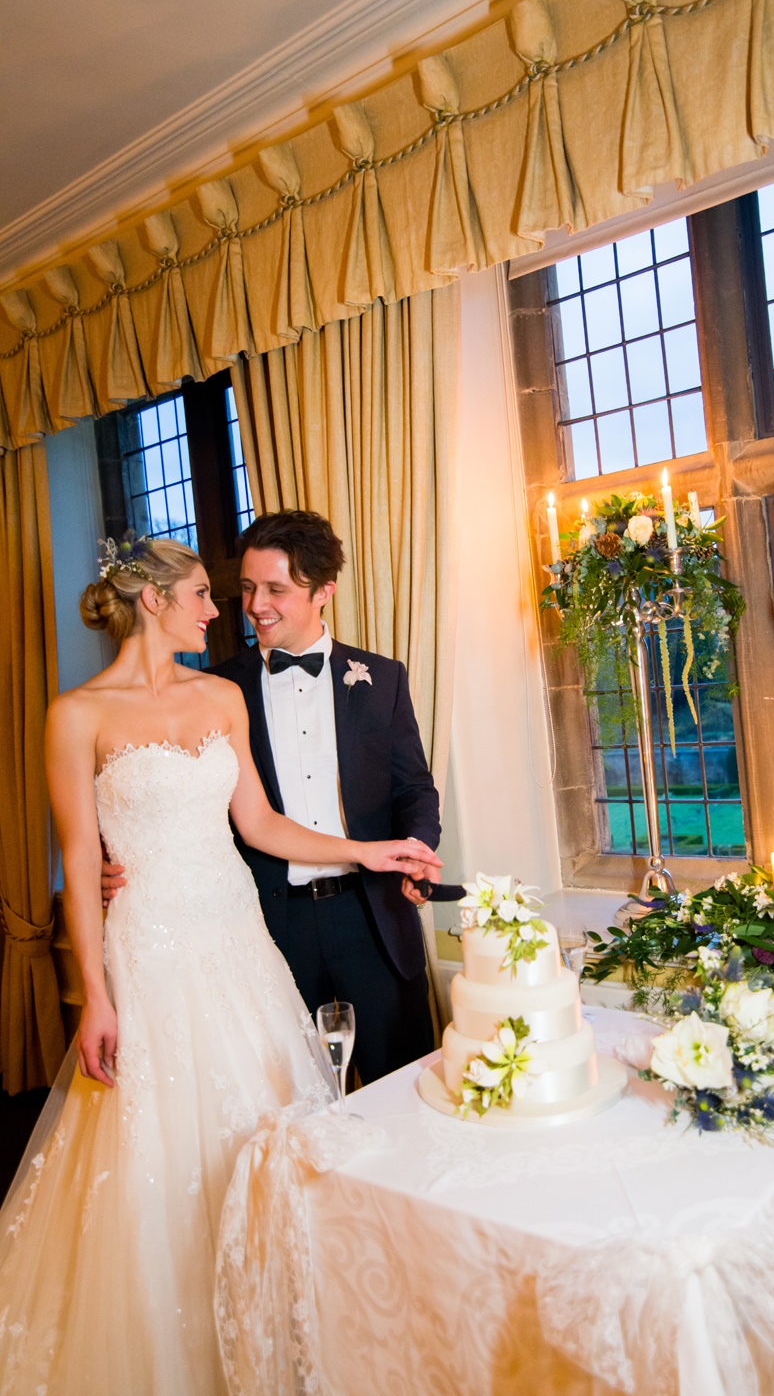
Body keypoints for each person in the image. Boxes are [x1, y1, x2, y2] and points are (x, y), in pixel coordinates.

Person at [0, 535, 441, 1396]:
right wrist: (95, 996)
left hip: (239, 941)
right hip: (150, 949)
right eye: (205, 594)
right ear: (153, 600)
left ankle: (287, 1319)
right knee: (163, 1149)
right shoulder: (76, 715)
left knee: (270, 1128)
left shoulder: (220, 698)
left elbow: (264, 826)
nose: (221, 611)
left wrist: (373, 850)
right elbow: (81, 864)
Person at [104, 510, 451, 1083]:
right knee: (294, 1105)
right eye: (246, 587)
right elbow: (157, 790)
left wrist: (416, 850)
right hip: (265, 927)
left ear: (323, 593)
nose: (253, 604)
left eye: (275, 590)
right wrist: (113, 860)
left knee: (403, 1094)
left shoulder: (383, 678)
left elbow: (415, 787)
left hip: (371, 919)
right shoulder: (215, 688)